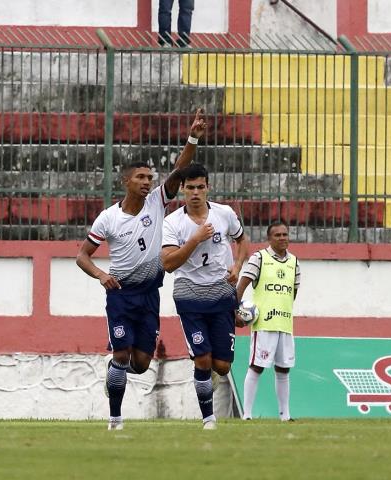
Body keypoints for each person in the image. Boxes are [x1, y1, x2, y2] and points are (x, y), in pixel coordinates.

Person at [76, 109, 207, 430]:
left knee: (141, 363)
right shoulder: (108, 218)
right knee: (121, 355)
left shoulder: (156, 204)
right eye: (141, 177)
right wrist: (101, 275)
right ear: (126, 181)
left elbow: (179, 171)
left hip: (150, 295)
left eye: (150, 177)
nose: (148, 182)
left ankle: (115, 372)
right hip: (121, 295)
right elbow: (82, 256)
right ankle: (115, 419)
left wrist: (193, 137)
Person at [161, 163, 250, 429]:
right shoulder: (172, 222)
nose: (196, 192)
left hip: (222, 293)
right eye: (190, 188)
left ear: (208, 187)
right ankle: (208, 418)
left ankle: (209, 369)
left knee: (221, 366)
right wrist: (195, 239)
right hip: (189, 295)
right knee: (202, 359)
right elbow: (168, 264)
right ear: (183, 190)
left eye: (201, 187)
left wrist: (237, 266)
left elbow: (242, 241)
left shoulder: (224, 213)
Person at [235, 220, 300, 421]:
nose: (282, 238)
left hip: (285, 324)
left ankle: (285, 416)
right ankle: (247, 415)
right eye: (277, 235)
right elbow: (242, 284)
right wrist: (234, 311)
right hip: (264, 324)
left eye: (285, 234)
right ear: (269, 239)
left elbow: (293, 292)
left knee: (283, 368)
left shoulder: (294, 262)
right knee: (257, 366)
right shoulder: (259, 258)